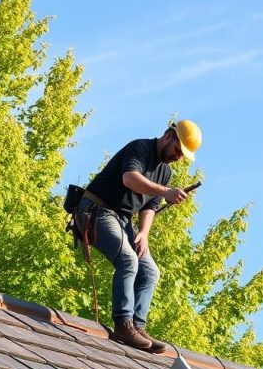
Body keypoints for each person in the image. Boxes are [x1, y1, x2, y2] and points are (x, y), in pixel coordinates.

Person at [75, 120, 201, 353]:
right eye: (177, 150)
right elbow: (129, 178)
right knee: (128, 260)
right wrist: (166, 192)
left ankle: (137, 325)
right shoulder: (140, 148)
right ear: (167, 137)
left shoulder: (165, 172)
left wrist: (143, 233)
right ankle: (123, 324)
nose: (178, 157)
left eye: (183, 155)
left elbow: (149, 207)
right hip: (97, 210)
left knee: (150, 271)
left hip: (124, 221)